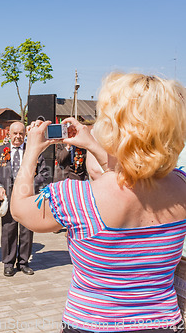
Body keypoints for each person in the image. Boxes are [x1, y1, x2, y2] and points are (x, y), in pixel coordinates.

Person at [10, 73, 186, 332]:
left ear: (115, 128)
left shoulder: (77, 197)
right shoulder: (181, 185)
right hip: (162, 322)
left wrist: (31, 153)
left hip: (94, 323)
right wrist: (92, 145)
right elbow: (131, 176)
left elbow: (20, 208)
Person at [0, 121, 48, 277]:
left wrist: (30, 184)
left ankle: (23, 262)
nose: (18, 137)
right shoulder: (0, 150)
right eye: (15, 133)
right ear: (9, 134)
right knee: (8, 229)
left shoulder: (32, 151)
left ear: (24, 135)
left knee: (27, 229)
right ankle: (8, 263)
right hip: (7, 196)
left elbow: (44, 173)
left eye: (21, 133)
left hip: (27, 196)